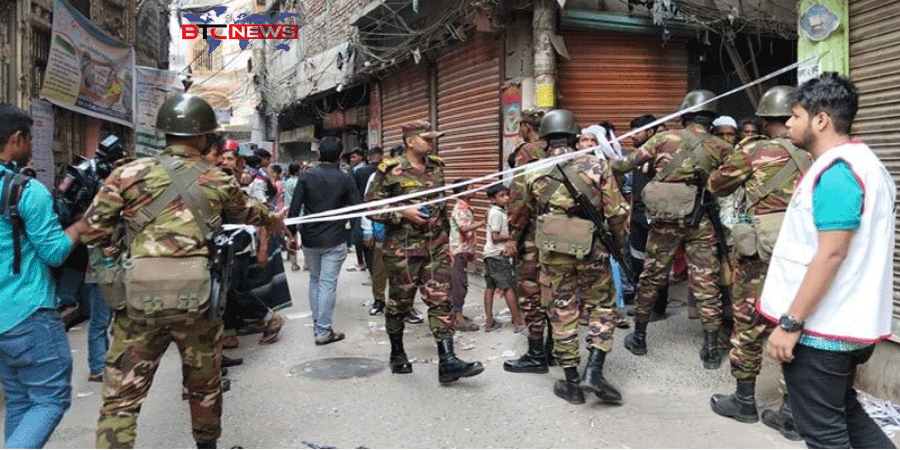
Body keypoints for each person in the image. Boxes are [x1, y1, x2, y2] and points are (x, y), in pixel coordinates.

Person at [81, 94, 281, 448]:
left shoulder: (127, 174)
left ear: (165, 132)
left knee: (121, 400)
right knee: (204, 387)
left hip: (139, 304)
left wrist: (123, 245)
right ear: (202, 136)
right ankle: (206, 445)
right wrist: (274, 222)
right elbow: (252, 214)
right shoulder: (217, 179)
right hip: (196, 303)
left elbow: (92, 231)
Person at [760, 73, 896, 449]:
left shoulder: (838, 174)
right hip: (846, 324)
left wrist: (791, 323)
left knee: (824, 435)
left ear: (820, 120)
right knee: (845, 414)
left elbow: (832, 252)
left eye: (795, 115)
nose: (789, 123)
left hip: (824, 332)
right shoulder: (862, 164)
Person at [706, 86, 810, 441]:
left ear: (765, 121)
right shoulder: (816, 154)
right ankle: (792, 413)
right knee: (796, 325)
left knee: (749, 322)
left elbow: (717, 184)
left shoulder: (753, 151)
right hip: (804, 256)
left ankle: (744, 401)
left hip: (759, 256)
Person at [612, 90, 733, 369]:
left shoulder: (663, 138)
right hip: (700, 220)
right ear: (711, 117)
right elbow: (731, 181)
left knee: (651, 277)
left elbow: (624, 165)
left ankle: (639, 338)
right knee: (705, 281)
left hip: (664, 219)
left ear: (685, 114)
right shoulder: (722, 147)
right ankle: (711, 348)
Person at [524, 109, 629, 405]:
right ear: (574, 135)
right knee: (602, 306)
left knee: (561, 310)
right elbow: (616, 212)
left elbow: (531, 211)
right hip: (592, 248)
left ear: (545, 137)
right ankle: (593, 371)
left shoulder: (532, 172)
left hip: (554, 250)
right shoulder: (597, 165)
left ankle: (571, 381)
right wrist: (617, 244)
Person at [0, 103, 89, 448]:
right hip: (27, 312)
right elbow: (54, 251)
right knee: (50, 398)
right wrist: (80, 226)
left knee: (21, 400)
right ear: (16, 139)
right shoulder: (25, 190)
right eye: (29, 139)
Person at [367, 120, 484, 383]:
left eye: (433, 138)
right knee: (400, 303)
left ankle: (448, 360)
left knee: (441, 300)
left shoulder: (437, 168)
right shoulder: (390, 171)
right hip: (403, 250)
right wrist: (402, 213)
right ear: (410, 141)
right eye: (426, 138)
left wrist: (449, 243)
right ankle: (397, 353)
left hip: (436, 247)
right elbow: (371, 208)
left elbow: (441, 208)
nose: (432, 142)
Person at [288, 137, 361, 345]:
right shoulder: (345, 178)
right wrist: (349, 227)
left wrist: (291, 236)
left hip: (310, 238)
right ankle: (323, 331)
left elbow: (294, 209)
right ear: (340, 156)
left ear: (319, 154)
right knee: (327, 284)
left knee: (315, 279)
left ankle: (318, 324)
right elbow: (357, 207)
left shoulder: (306, 176)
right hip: (335, 238)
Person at [504, 109, 555, 374]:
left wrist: (513, 235)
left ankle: (536, 354)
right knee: (556, 290)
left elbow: (519, 200)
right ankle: (555, 349)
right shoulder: (563, 149)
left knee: (532, 292)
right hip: (562, 233)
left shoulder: (526, 152)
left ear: (526, 126)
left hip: (534, 236)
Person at [626, 114, 671, 322]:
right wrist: (629, 214)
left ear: (651, 132)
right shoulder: (637, 157)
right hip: (637, 218)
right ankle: (641, 304)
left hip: (655, 218)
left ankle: (657, 308)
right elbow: (635, 190)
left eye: (637, 132)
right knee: (638, 263)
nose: (632, 136)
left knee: (657, 265)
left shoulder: (661, 157)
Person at [482, 183, 524, 333]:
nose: (506, 198)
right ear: (493, 199)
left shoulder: (496, 211)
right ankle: (518, 322)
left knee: (490, 287)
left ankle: (489, 322)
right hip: (498, 255)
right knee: (507, 287)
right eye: (502, 196)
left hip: (489, 254)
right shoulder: (496, 213)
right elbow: (495, 237)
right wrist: (512, 237)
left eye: (507, 195)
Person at [448, 178, 484, 332]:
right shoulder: (461, 208)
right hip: (459, 251)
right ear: (463, 191)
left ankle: (456, 314)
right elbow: (463, 229)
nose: (475, 190)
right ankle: (458, 319)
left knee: (459, 283)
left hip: (463, 251)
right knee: (459, 285)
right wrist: (483, 222)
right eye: (471, 187)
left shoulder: (465, 207)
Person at [283, 163, 301, 271]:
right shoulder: (300, 182)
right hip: (301, 211)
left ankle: (293, 262)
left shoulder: (287, 182)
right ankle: (307, 263)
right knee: (304, 235)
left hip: (289, 211)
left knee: (292, 236)